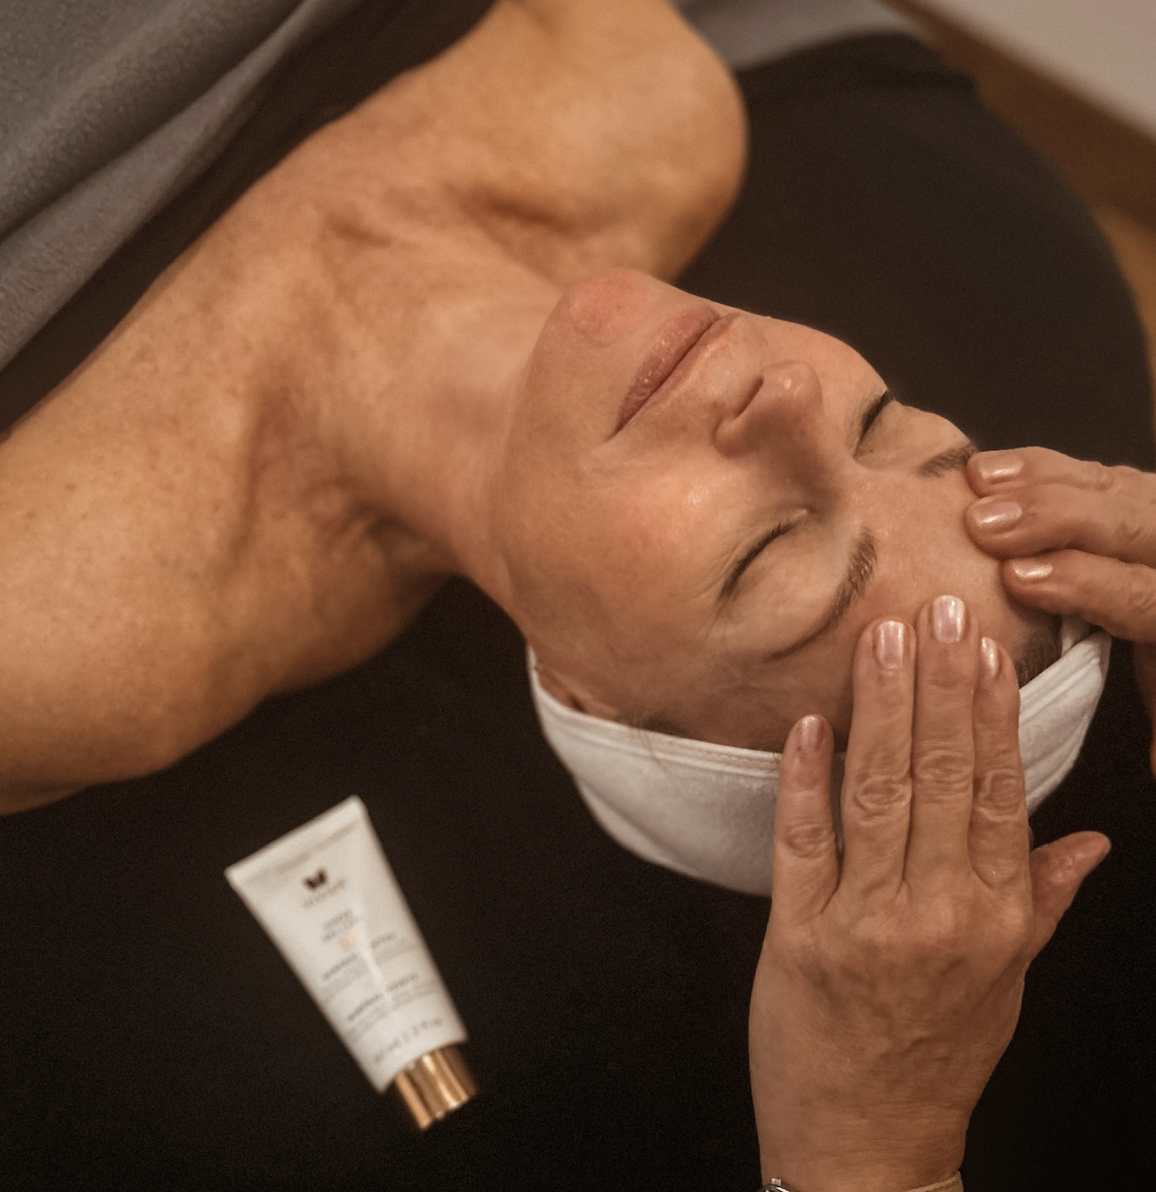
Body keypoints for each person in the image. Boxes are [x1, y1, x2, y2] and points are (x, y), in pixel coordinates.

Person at [1, 1, 1152, 1189]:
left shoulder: (59, 636)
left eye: (764, 551)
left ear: (581, 689)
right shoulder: (662, 107)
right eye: (883, 424)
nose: (793, 400)